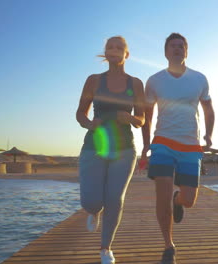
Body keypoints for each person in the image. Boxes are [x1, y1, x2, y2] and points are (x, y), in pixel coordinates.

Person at [141, 33, 215, 264]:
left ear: (186, 51)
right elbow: (147, 114)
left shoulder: (199, 79)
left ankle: (178, 199)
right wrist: (146, 144)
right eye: (172, 46)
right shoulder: (154, 81)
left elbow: (209, 109)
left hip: (191, 145)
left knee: (190, 199)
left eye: (181, 46)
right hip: (163, 142)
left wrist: (209, 135)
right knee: (161, 196)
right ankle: (168, 245)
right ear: (165, 52)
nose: (177, 49)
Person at [76, 36, 145, 264]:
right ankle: (93, 211)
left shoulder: (135, 83)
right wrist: (89, 123)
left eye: (119, 48)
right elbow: (80, 114)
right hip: (95, 146)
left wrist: (131, 118)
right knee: (92, 202)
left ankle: (106, 248)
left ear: (127, 54)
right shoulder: (94, 80)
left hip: (125, 148)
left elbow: (142, 118)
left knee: (115, 198)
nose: (114, 50)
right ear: (105, 53)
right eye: (110, 47)